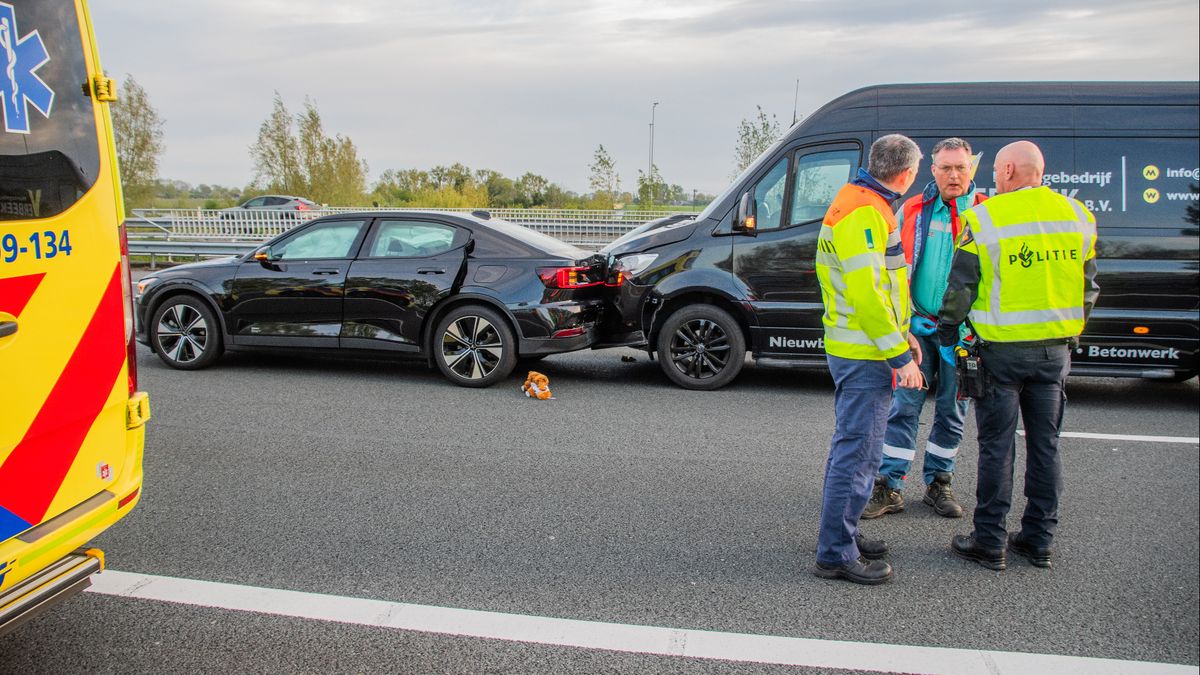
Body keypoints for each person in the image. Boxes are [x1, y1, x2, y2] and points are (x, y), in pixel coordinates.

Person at [938, 140, 1100, 571]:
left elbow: (961, 288)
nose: (992, 178)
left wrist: (947, 331)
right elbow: (1088, 287)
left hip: (1000, 355)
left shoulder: (985, 218)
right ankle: (1038, 538)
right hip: (1055, 354)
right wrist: (1072, 333)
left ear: (1009, 169)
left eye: (994, 171)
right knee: (1046, 446)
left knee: (997, 447)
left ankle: (990, 541)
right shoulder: (1078, 216)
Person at [813, 134, 924, 585]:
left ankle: (844, 535)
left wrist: (905, 332)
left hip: (863, 347)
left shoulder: (863, 201)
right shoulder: (865, 211)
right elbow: (868, 293)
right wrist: (899, 355)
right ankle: (835, 553)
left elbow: (886, 285)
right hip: (864, 352)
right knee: (857, 454)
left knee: (857, 450)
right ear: (908, 173)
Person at [864, 138, 985, 520]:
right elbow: (891, 268)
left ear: (971, 170)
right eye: (946, 167)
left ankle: (939, 483)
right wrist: (900, 325)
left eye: (960, 168)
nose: (953, 175)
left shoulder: (987, 213)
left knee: (952, 410)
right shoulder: (913, 209)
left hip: (962, 334)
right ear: (932, 170)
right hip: (918, 329)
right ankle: (889, 484)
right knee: (904, 407)